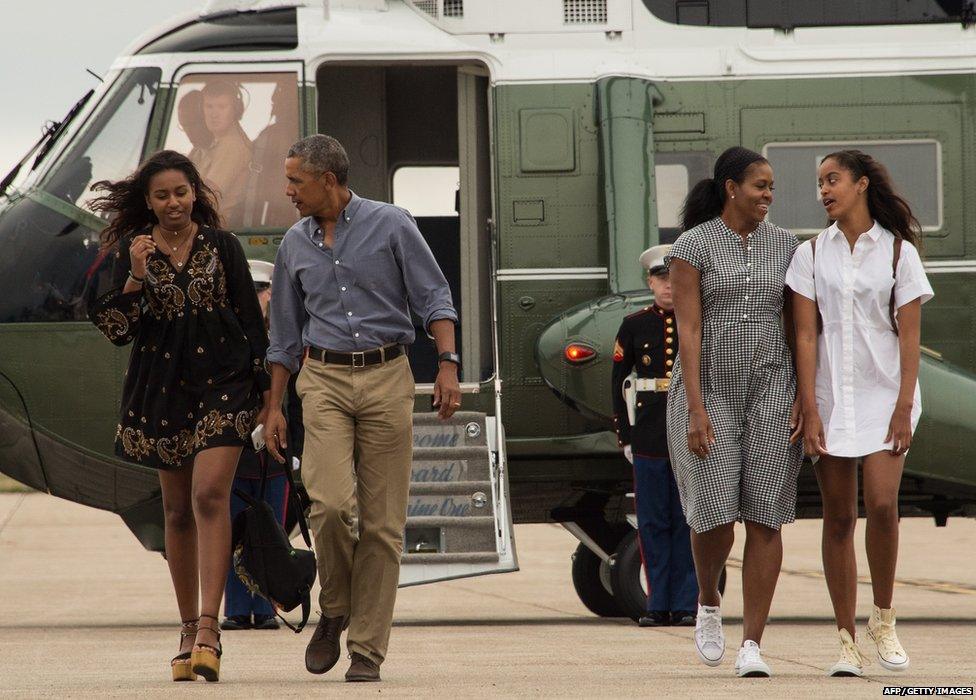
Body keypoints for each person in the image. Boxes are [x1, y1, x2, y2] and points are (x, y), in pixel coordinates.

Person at [264, 134, 461, 683]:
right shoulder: (293, 245)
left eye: (296, 181)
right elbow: (282, 335)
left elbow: (434, 297)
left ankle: (367, 650)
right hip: (322, 378)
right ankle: (334, 608)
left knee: (381, 526)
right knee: (327, 505)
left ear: (329, 180)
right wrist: (274, 407)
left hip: (386, 376)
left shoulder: (392, 224)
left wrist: (447, 363)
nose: (289, 192)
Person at [88, 150, 270, 683]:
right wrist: (137, 278)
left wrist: (269, 397)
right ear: (147, 202)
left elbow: (251, 323)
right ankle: (188, 629)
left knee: (210, 494)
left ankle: (212, 629)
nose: (174, 203)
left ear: (197, 193)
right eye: (162, 195)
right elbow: (117, 329)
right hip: (161, 391)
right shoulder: (131, 252)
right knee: (176, 511)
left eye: (182, 192)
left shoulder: (223, 246)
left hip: (225, 384)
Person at [785, 151, 933, 677]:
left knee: (883, 504)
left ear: (861, 184)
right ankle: (846, 638)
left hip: (885, 396)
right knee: (840, 517)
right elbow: (805, 333)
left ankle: (884, 620)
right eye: (819, 182)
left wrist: (902, 405)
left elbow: (911, 338)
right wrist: (809, 403)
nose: (824, 190)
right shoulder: (809, 254)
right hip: (828, 396)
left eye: (833, 180)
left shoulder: (898, 254)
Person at [666, 146, 803, 677]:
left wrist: (803, 395)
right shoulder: (692, 246)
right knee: (716, 514)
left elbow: (796, 327)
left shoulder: (787, 246)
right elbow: (690, 332)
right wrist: (696, 408)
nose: (768, 195)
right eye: (759, 186)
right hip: (710, 389)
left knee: (767, 513)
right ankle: (707, 603)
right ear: (730, 187)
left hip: (771, 386)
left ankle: (753, 646)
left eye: (771, 187)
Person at [611, 244, 698, 628]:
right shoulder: (634, 325)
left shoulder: (696, 321)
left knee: (687, 520)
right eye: (661, 279)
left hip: (687, 433)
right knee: (652, 522)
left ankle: (685, 605)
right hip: (648, 434)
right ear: (650, 282)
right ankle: (656, 603)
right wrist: (625, 435)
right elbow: (618, 383)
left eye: (673, 279)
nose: (667, 287)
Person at [220, 259, 286, 632]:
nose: (259, 298)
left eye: (264, 291)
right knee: (229, 533)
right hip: (233, 452)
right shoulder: (227, 341)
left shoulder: (283, 343)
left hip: (272, 457)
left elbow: (293, 403)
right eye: (253, 291)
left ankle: (264, 608)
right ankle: (235, 608)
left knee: (270, 532)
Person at [189, 80, 252, 224]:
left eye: (222, 107)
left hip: (214, 229)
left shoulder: (232, 146)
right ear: (201, 110)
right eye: (209, 106)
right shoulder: (211, 143)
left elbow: (206, 197)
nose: (214, 114)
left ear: (235, 110)